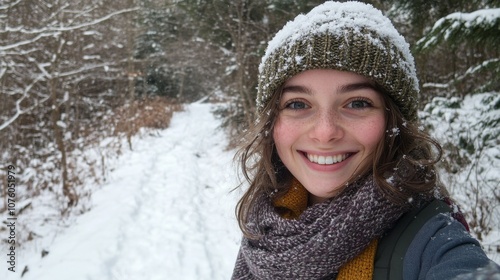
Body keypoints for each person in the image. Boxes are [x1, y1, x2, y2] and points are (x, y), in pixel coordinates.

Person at [231, 1, 500, 279]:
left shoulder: (432, 238)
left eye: (357, 103)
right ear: (272, 122)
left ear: (393, 122)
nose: (325, 132)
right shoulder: (266, 225)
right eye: (298, 104)